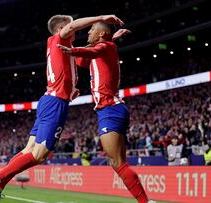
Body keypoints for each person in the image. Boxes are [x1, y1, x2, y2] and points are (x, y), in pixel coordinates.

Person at [0, 14, 124, 203]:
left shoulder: (63, 47)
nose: (75, 26)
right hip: (56, 102)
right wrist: (102, 17)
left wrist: (108, 40)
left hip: (49, 100)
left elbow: (85, 60)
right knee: (41, 153)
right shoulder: (59, 38)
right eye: (70, 24)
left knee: (29, 149)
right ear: (61, 28)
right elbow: (72, 30)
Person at [57, 22, 154, 203]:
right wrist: (83, 49)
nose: (88, 33)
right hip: (109, 110)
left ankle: (146, 202)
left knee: (117, 163)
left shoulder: (106, 46)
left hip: (110, 109)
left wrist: (74, 49)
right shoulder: (103, 48)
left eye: (92, 30)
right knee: (117, 164)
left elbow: (92, 52)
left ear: (102, 33)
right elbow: (81, 61)